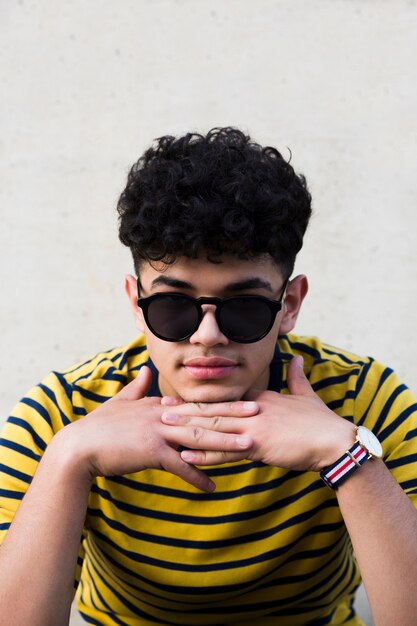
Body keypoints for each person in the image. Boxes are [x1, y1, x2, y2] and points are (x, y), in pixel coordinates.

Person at [0, 128, 417, 626]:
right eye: (174, 306)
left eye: (244, 307)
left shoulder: (362, 399)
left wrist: (348, 459)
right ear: (136, 303)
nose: (208, 335)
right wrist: (69, 459)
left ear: (290, 304)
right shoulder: (64, 410)